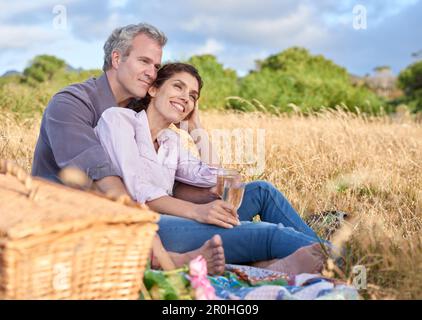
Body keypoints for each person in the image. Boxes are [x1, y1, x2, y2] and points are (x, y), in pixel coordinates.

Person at [95, 62, 330, 275]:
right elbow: (138, 189)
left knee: (262, 191)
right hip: (149, 227)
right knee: (268, 234)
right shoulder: (118, 120)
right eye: (178, 87)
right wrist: (198, 212)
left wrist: (196, 127)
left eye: (192, 96)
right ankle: (337, 262)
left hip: (177, 216)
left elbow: (213, 179)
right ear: (153, 89)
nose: (185, 98)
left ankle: (314, 254)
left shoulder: (171, 141)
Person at [31, 23, 225, 275]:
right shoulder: (71, 103)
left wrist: (196, 129)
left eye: (156, 66)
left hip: (141, 210)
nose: (151, 73)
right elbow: (106, 179)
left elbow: (187, 180)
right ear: (117, 58)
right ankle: (166, 260)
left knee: (259, 192)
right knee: (262, 235)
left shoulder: (139, 113)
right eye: (144, 61)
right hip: (74, 220)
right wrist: (178, 218)